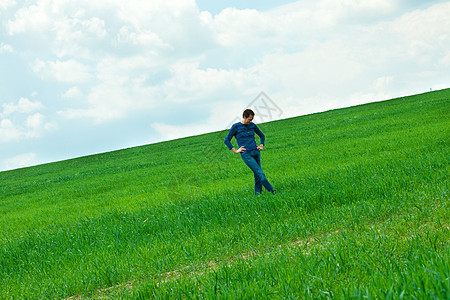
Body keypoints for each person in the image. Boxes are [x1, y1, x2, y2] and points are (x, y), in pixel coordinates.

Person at [224, 109, 275, 195]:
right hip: (246, 154)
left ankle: (258, 195)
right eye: (249, 119)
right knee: (260, 173)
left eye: (252, 119)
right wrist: (236, 150)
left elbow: (262, 136)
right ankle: (272, 191)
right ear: (244, 117)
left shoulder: (252, 125)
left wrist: (261, 145)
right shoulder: (236, 126)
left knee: (257, 174)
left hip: (256, 152)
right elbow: (227, 140)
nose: (251, 121)